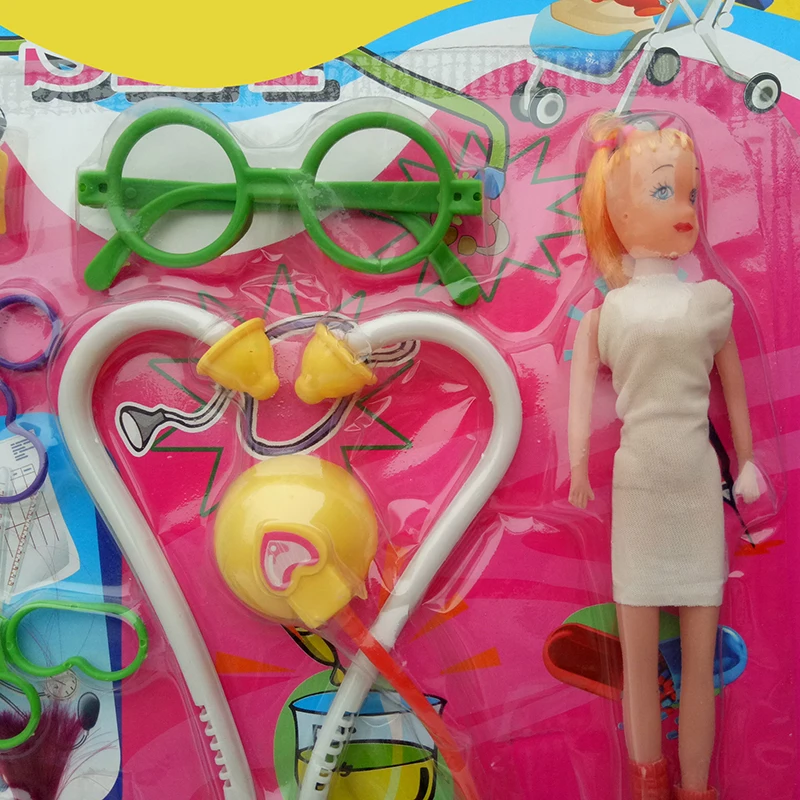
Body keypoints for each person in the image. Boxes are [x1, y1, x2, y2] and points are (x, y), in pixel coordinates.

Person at [567, 114, 762, 800]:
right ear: (617, 212)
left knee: (700, 662)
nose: (685, 209)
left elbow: (733, 389)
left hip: (695, 484)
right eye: (663, 192)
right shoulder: (606, 313)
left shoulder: (710, 303)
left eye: (690, 194)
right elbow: (579, 395)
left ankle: (699, 788)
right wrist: (577, 465)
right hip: (640, 488)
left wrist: (746, 461)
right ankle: (650, 787)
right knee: (641, 664)